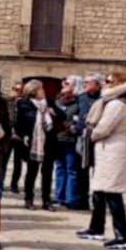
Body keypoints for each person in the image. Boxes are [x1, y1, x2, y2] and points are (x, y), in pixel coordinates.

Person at [76, 73, 126, 249]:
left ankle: (123, 236)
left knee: (112, 193)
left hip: (113, 151)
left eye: (109, 81)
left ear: (118, 85)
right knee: (99, 192)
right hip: (106, 151)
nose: (104, 84)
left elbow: (103, 129)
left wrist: (87, 135)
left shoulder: (116, 105)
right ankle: (96, 229)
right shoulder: (109, 102)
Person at [16, 79, 59, 211]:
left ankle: (47, 200)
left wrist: (53, 113)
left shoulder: (49, 102)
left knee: (47, 173)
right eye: (41, 88)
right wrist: (25, 135)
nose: (43, 91)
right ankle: (29, 199)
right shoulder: (23, 104)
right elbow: (19, 124)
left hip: (49, 141)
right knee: (31, 172)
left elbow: (61, 117)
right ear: (33, 91)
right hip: (33, 142)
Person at [76, 72, 103, 210]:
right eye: (84, 82)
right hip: (83, 137)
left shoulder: (104, 99)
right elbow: (76, 113)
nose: (84, 84)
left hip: (99, 138)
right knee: (82, 170)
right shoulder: (81, 97)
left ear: (97, 84)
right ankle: (82, 200)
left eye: (88, 82)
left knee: (98, 171)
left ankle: (98, 201)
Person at [54, 76, 82, 208]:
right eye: (63, 83)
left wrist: (71, 126)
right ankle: (59, 196)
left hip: (71, 139)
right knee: (60, 168)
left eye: (67, 83)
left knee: (71, 169)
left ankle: (71, 198)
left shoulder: (78, 102)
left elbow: (81, 119)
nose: (63, 84)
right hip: (58, 138)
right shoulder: (59, 100)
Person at [7, 82, 24, 194]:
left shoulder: (24, 103)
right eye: (15, 89)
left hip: (20, 137)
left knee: (18, 163)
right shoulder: (7, 102)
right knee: (4, 161)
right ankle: (0, 182)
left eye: (19, 90)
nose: (17, 92)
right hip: (8, 136)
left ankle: (14, 184)